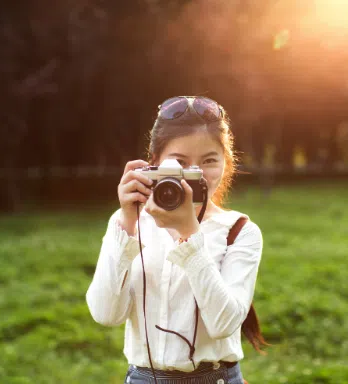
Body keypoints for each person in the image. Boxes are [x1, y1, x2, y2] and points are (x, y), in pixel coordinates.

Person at [86, 96, 266, 384]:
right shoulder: (130, 223)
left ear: (226, 163)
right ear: (153, 163)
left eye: (208, 161)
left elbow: (224, 323)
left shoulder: (240, 231)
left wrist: (188, 234)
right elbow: (106, 314)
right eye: (180, 162)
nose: (194, 173)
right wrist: (127, 221)